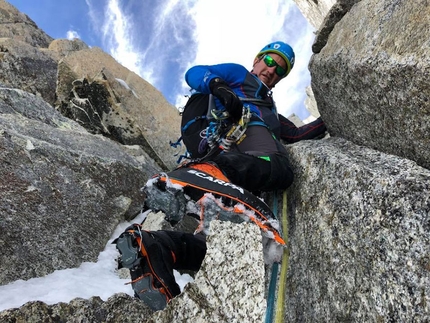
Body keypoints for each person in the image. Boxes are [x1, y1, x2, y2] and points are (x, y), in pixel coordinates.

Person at [115, 41, 327, 311]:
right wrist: (218, 84)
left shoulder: (271, 111)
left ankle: (153, 247)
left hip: (227, 168)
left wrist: (335, 115)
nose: (272, 70)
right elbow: (194, 73)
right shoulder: (239, 75)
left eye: (281, 70)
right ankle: (209, 174)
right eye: (270, 61)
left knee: (211, 246)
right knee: (282, 169)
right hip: (236, 153)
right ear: (258, 59)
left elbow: (297, 135)